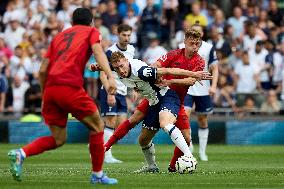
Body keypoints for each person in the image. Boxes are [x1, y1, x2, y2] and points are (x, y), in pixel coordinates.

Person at [7, 8, 118, 185]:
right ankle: (97, 175)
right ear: (90, 22)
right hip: (69, 86)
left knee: (59, 139)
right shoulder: (91, 31)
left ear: (72, 22)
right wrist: (110, 77)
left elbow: (43, 69)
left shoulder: (58, 37)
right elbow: (98, 52)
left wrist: (46, 94)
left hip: (51, 89)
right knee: (98, 126)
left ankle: (21, 153)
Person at [100, 28, 210, 172]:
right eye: (192, 44)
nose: (195, 47)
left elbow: (190, 80)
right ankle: (151, 166)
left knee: (185, 135)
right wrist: (145, 80)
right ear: (185, 42)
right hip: (154, 97)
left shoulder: (199, 62)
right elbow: (157, 65)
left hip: (172, 97)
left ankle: (181, 162)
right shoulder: (174, 54)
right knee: (141, 136)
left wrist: (168, 82)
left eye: (197, 44)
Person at [183, 23, 219, 161]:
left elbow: (215, 68)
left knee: (202, 119)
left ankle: (203, 152)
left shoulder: (209, 48)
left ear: (203, 34)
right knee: (185, 115)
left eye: (199, 31)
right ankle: (189, 145)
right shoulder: (183, 46)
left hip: (203, 87)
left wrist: (214, 85)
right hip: (187, 86)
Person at [100, 24, 135, 163]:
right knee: (110, 122)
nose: (126, 38)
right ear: (118, 34)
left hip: (123, 92)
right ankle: (107, 156)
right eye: (124, 35)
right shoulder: (110, 52)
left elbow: (131, 71)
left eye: (128, 35)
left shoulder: (131, 50)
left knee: (120, 126)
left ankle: (97, 145)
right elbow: (103, 75)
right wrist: (110, 92)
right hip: (111, 91)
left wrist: (134, 88)